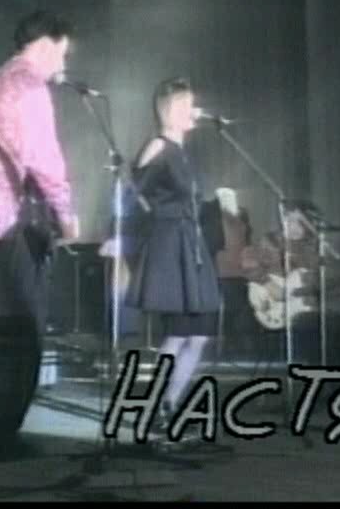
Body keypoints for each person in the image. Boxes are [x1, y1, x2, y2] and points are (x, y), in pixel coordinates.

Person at [0, 11, 79, 448]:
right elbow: (41, 155)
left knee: (7, 327)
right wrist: (66, 210)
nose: (63, 64)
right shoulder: (27, 84)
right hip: (11, 221)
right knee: (23, 331)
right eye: (62, 53)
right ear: (45, 43)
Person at [123, 78, 222, 436]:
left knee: (198, 335)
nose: (193, 111)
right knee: (179, 333)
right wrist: (126, 236)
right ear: (168, 111)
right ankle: (155, 407)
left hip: (190, 244)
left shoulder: (181, 152)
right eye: (186, 105)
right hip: (170, 244)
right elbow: (133, 196)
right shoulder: (158, 146)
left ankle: (170, 404)